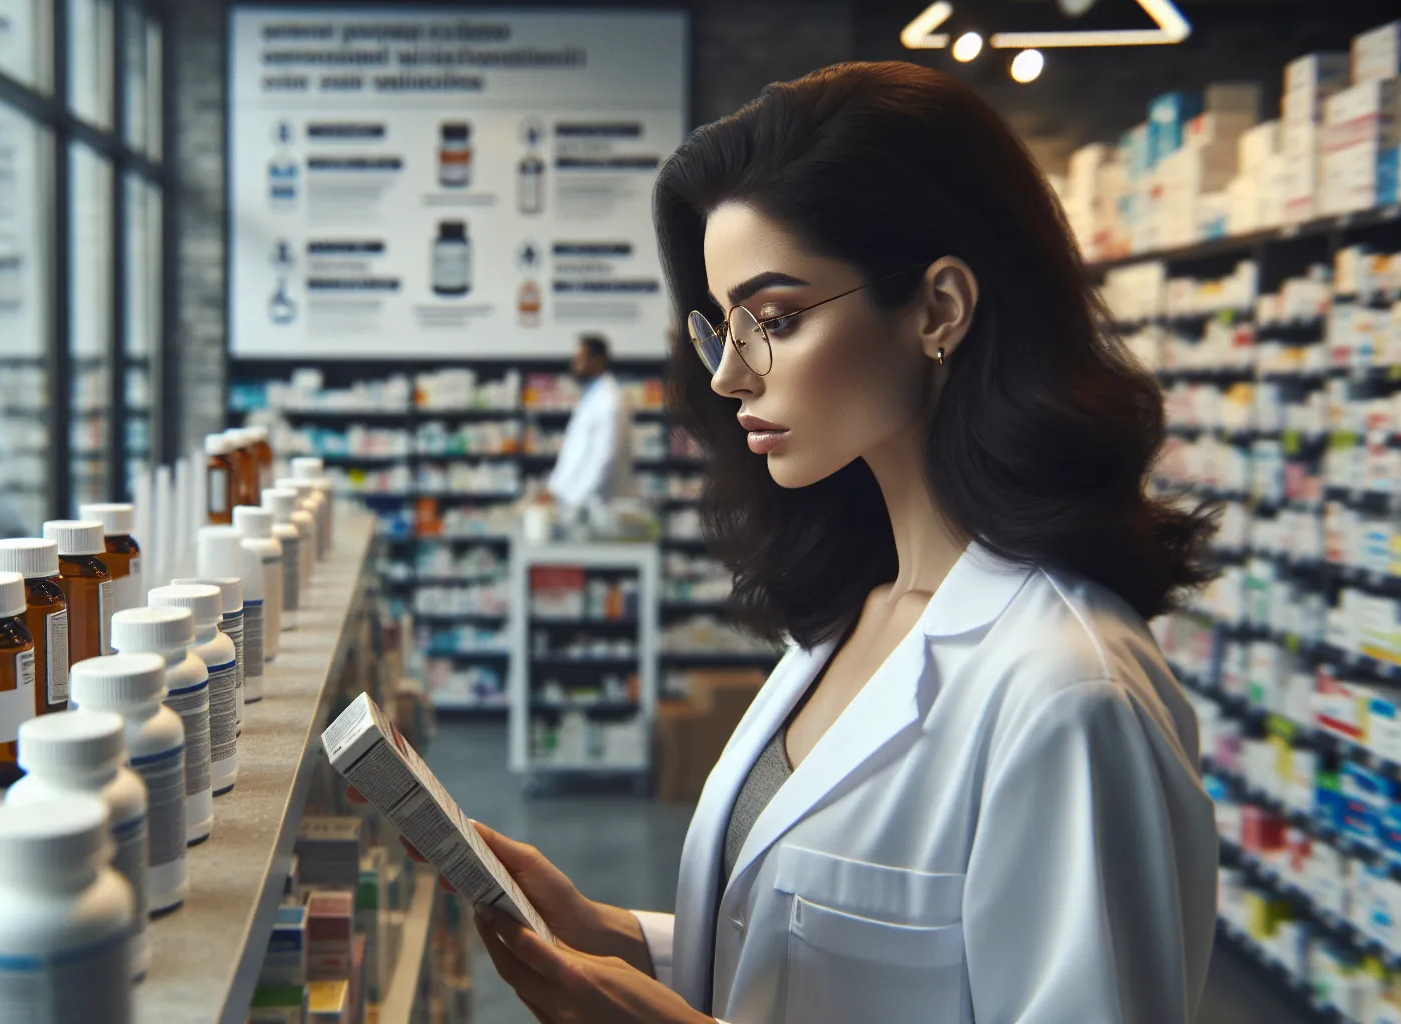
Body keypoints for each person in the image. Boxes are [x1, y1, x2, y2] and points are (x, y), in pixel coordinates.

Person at [411, 62, 1222, 1023]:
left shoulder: (1069, 693)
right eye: (723, 328)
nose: (727, 377)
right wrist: (609, 936)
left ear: (939, 311)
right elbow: (824, 959)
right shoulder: (859, 611)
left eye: (779, 320)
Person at [544, 333, 635, 510]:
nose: (574, 365)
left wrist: (573, 498)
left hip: (596, 504)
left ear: (598, 360)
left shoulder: (610, 401)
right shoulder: (592, 397)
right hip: (577, 502)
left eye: (580, 359)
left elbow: (604, 458)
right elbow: (575, 454)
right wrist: (554, 490)